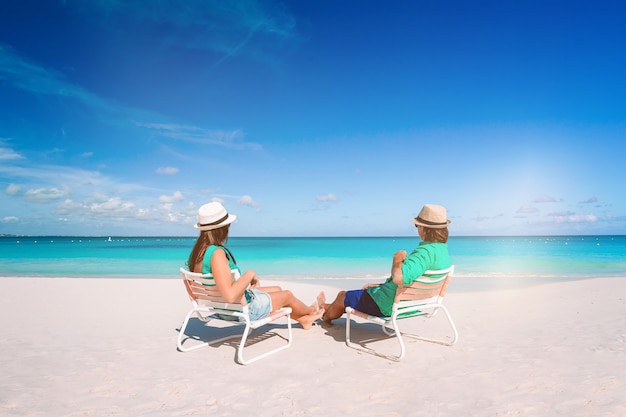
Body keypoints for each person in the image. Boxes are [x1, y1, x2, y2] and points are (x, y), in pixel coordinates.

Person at [188, 202, 325, 329]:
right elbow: (229, 296)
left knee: (277, 288)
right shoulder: (216, 253)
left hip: (222, 306)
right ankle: (312, 311)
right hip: (237, 310)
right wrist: (249, 274)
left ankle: (304, 319)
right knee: (287, 295)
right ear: (223, 228)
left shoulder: (198, 252)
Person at [321, 203, 452, 323]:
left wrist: (397, 260)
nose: (417, 228)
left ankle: (324, 317)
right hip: (412, 304)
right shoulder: (442, 253)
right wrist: (380, 285)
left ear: (424, 228)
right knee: (355, 295)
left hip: (386, 306)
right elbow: (412, 283)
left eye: (417, 225)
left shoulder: (424, 253)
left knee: (343, 296)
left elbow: (399, 278)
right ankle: (324, 307)